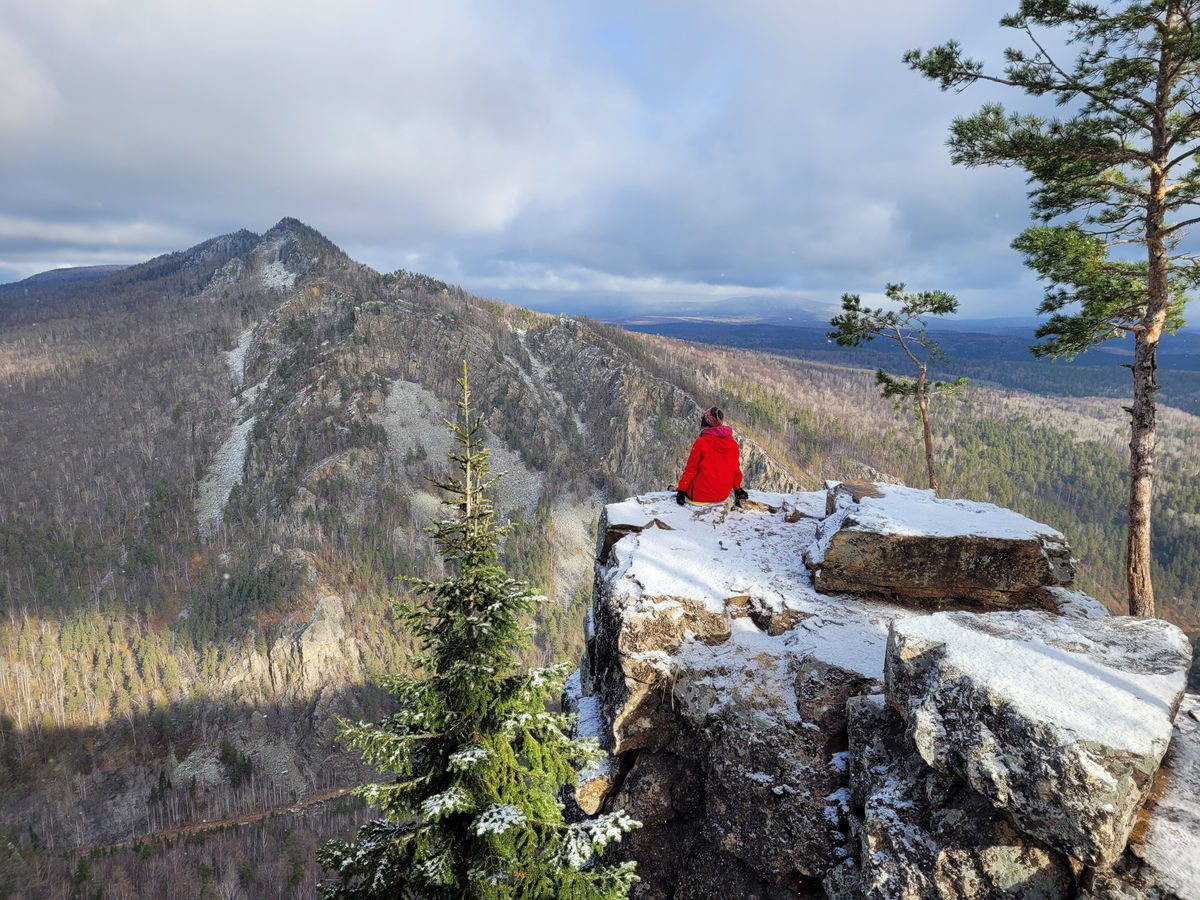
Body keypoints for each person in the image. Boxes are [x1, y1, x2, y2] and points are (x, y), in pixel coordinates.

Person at [676, 406, 749, 506]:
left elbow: (691, 469)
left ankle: (677, 489)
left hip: (700, 495)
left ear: (705, 423)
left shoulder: (701, 443)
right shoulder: (733, 444)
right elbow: (735, 470)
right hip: (722, 495)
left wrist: (681, 490)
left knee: (688, 486)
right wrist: (737, 489)